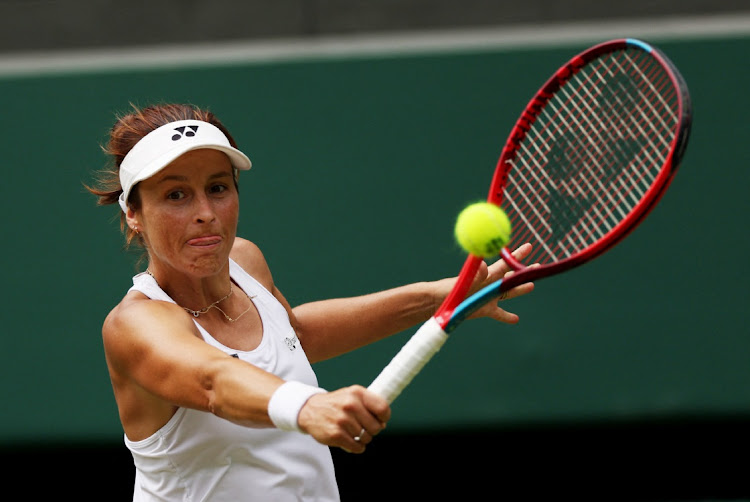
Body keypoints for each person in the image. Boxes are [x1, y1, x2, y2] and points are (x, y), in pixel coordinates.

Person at [86, 102, 535, 501]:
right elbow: (213, 381)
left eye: (219, 188)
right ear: (133, 213)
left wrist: (439, 296)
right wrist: (306, 406)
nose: (205, 211)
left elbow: (295, 335)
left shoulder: (245, 260)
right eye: (176, 195)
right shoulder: (135, 325)